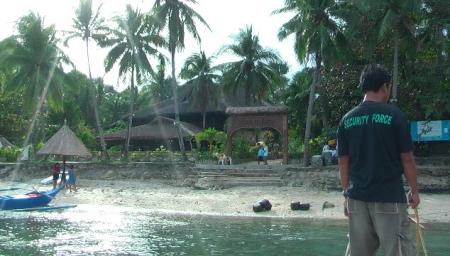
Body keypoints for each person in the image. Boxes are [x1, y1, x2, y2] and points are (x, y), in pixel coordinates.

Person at [337, 64, 420, 256]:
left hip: (357, 198)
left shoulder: (347, 120)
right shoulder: (395, 116)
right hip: (389, 198)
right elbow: (407, 158)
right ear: (384, 86)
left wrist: (345, 194)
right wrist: (414, 190)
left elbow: (343, 162)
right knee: (397, 251)